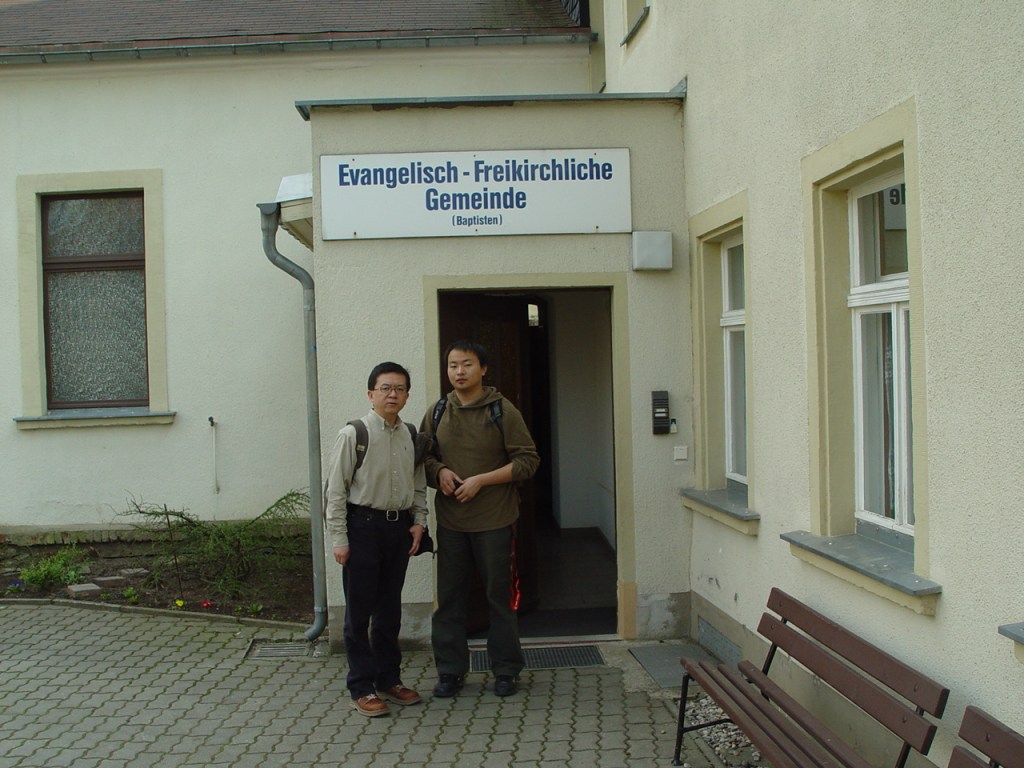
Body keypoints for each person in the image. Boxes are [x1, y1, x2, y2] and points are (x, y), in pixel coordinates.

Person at [422, 340, 540, 698]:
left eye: (467, 364)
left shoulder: (503, 410)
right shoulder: (438, 411)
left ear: (483, 369)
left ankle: (505, 670)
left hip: (495, 521)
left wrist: (481, 481)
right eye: (453, 365)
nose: (459, 371)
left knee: (498, 598)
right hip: (452, 524)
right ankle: (450, 671)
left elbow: (528, 461)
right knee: (450, 600)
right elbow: (423, 459)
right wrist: (440, 472)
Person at [324, 361, 428, 717]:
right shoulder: (353, 434)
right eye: (385, 388)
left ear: (407, 395)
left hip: (398, 530)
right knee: (358, 613)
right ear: (371, 394)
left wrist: (420, 522)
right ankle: (361, 687)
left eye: (399, 389)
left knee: (389, 610)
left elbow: (418, 484)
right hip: (362, 529)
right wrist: (339, 539)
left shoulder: (410, 434)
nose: (392, 394)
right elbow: (335, 492)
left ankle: (388, 680)